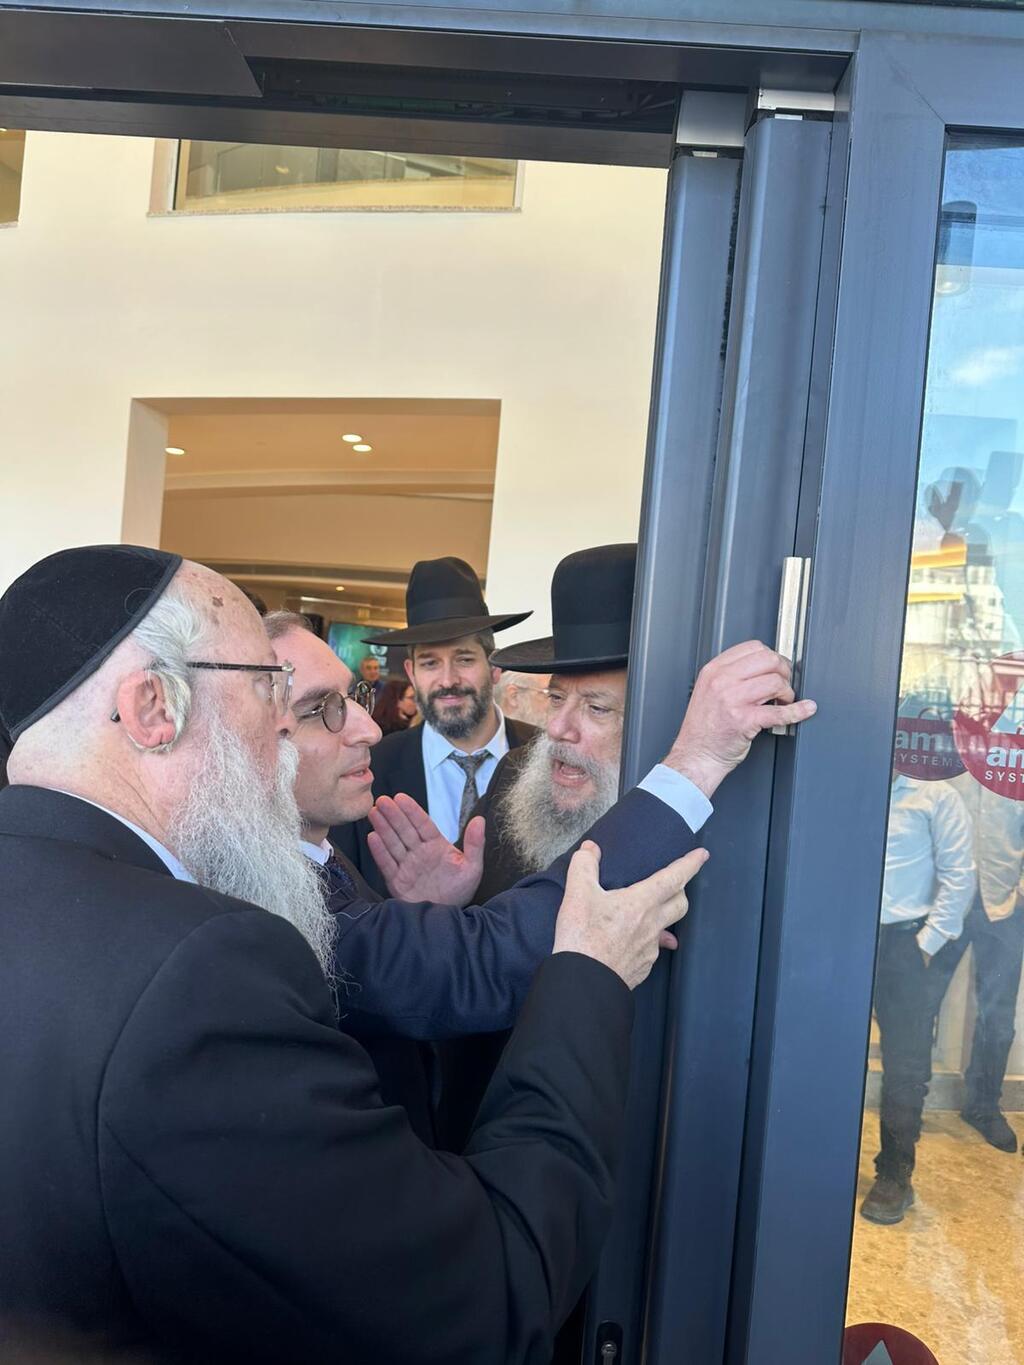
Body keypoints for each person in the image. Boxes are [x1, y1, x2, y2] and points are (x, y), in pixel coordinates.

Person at [0, 542, 709, 1365]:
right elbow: (485, 1300)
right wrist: (586, 967)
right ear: (154, 705)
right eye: (271, 689)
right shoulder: (199, 970)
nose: (285, 724)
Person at [334, 555, 537, 888]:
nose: (448, 680)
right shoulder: (368, 770)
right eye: (430, 663)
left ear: (494, 665)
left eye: (465, 659)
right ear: (412, 673)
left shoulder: (543, 758)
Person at [859, 771, 975, 1225]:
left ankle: (895, 1174)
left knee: (906, 1067)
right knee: (825, 1056)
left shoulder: (935, 795)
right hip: (844, 937)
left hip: (904, 944)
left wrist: (925, 946)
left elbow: (959, 876)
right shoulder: (846, 780)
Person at [930, 777, 1024, 1154]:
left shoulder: (1016, 760)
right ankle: (906, 1105)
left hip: (1003, 906)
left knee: (998, 1020)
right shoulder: (949, 757)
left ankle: (983, 1107)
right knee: (917, 1008)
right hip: (942, 900)